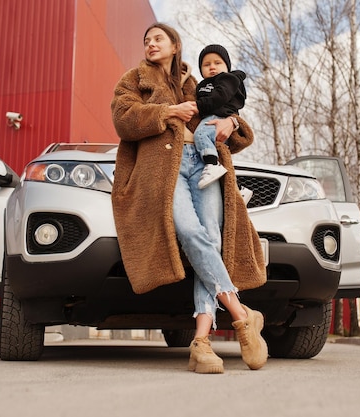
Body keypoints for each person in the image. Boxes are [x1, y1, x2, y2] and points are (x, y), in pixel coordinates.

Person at [110, 22, 268, 374]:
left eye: (158, 39)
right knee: (190, 231)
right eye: (146, 39)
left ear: (175, 44)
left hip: (203, 164)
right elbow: (123, 119)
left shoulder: (195, 83)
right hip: (163, 171)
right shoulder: (134, 80)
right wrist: (168, 112)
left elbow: (227, 117)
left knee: (210, 238)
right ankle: (241, 315)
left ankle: (201, 343)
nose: (151, 43)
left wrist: (233, 123)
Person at [195, 44, 247, 189]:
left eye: (218, 63)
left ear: (227, 66)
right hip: (213, 118)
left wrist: (198, 105)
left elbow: (221, 97)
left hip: (218, 117)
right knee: (223, 156)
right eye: (207, 64)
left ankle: (212, 164)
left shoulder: (227, 80)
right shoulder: (202, 85)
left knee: (200, 135)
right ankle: (237, 190)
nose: (212, 67)